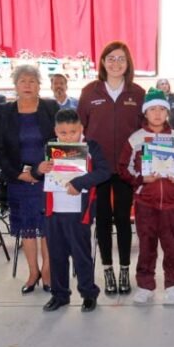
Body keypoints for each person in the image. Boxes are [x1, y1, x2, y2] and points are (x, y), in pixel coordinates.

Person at [77, 41, 144, 295]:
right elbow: (79, 129)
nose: (116, 63)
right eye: (111, 58)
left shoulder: (137, 93)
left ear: (128, 64)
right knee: (103, 219)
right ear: (103, 62)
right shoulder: (90, 92)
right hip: (99, 168)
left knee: (124, 219)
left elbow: (145, 130)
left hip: (126, 167)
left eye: (121, 59)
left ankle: (125, 269)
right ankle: (107, 270)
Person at [118, 88, 174, 305]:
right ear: (145, 112)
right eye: (152, 109)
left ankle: (173, 285)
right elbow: (124, 168)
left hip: (171, 203)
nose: (157, 114)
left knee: (171, 246)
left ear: (168, 112)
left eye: (161, 109)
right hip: (145, 203)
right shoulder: (136, 139)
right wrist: (142, 178)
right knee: (146, 246)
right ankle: (145, 286)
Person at [0, 65, 59, 294]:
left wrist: (42, 171)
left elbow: (61, 140)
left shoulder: (50, 107)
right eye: (23, 81)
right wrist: (19, 174)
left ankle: (47, 272)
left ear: (39, 85)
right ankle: (32, 272)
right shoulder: (5, 111)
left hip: (48, 177)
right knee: (28, 229)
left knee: (47, 228)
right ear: (16, 85)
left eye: (32, 81)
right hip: (19, 180)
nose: (28, 85)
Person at [37, 109, 110, 312]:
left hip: (79, 213)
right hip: (54, 212)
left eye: (73, 132)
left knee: (81, 256)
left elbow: (104, 172)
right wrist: (39, 169)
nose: (69, 137)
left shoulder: (91, 147)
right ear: (55, 131)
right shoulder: (50, 147)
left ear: (81, 128)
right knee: (56, 256)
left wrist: (79, 183)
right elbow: (38, 172)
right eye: (63, 133)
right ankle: (60, 295)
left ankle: (88, 294)